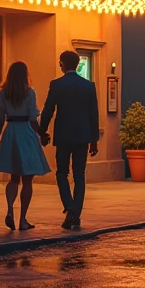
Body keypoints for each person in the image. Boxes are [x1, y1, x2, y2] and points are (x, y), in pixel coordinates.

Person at [39, 50, 99, 231]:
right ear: (78, 64)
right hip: (82, 135)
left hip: (64, 135)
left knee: (61, 173)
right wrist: (94, 139)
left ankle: (70, 208)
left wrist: (42, 131)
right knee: (79, 175)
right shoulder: (88, 86)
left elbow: (48, 110)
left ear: (62, 64)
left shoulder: (57, 85)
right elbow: (93, 114)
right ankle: (75, 212)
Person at [0, 61, 50, 231]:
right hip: (26, 133)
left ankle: (10, 210)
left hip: (11, 132)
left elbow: (0, 117)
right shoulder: (29, 93)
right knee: (28, 179)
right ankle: (23, 219)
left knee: (13, 177)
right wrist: (41, 133)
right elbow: (33, 118)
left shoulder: (3, 93)